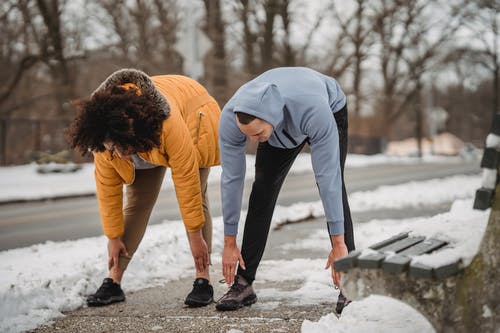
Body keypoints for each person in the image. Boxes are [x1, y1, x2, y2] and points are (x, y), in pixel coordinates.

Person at [67, 68, 220, 307]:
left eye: (118, 147)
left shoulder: (167, 125)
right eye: (111, 149)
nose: (116, 154)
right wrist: (113, 236)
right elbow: (108, 191)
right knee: (137, 203)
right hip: (142, 138)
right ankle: (113, 281)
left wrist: (194, 235)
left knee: (197, 196)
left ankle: (203, 280)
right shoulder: (103, 138)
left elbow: (186, 181)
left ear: (131, 132)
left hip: (194, 114)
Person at [216, 67, 355, 311]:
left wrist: (338, 243)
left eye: (257, 133)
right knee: (262, 192)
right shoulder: (232, 118)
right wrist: (229, 241)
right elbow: (232, 179)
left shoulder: (314, 112)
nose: (253, 140)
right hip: (281, 118)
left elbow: (328, 178)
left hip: (327, 107)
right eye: (248, 135)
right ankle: (244, 283)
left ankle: (350, 281)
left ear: (272, 118)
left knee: (335, 187)